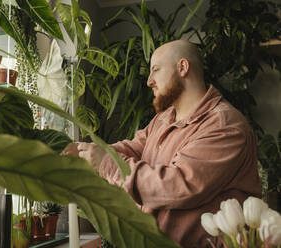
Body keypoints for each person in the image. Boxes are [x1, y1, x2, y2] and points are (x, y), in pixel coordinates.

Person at [63, 40, 261, 247]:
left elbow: (177, 185)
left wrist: (106, 163)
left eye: (155, 70)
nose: (149, 81)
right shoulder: (164, 118)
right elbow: (135, 148)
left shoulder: (224, 125)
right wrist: (84, 152)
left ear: (183, 68)